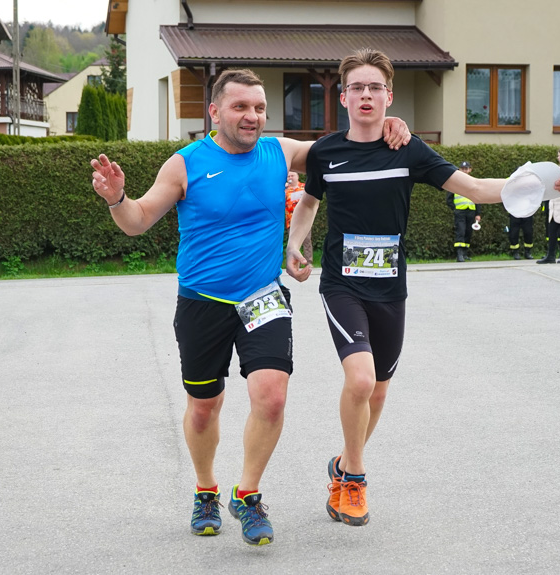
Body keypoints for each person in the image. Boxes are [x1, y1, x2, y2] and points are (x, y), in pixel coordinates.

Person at [89, 69, 410, 547]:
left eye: (259, 108)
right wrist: (117, 198)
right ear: (215, 111)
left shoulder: (279, 152)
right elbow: (137, 221)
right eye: (241, 107)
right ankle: (205, 491)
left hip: (263, 296)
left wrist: (389, 121)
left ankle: (249, 494)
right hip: (202, 302)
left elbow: (346, 144)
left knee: (272, 396)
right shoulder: (185, 164)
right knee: (204, 407)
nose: (253, 116)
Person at [284, 48, 560, 528]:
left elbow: (475, 188)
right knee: (358, 379)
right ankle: (353, 481)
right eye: (357, 87)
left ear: (388, 96)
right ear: (343, 97)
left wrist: (542, 186)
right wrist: (295, 246)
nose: (366, 95)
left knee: (377, 392)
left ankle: (341, 462)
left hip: (390, 290)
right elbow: (310, 203)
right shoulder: (326, 152)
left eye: (375, 87)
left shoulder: (408, 150)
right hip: (342, 285)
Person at [446, 161, 481, 262]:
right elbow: (449, 199)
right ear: (460, 170)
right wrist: (455, 209)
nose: (465, 171)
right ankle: (459, 254)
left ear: (470, 170)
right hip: (460, 212)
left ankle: (465, 253)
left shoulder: (474, 182)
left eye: (466, 169)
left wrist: (478, 214)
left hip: (471, 211)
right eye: (463, 169)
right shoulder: (455, 182)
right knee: (460, 231)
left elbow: (478, 198)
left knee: (468, 232)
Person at [285, 171, 314, 263]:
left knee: (307, 240)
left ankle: (308, 262)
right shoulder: (285, 190)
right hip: (291, 220)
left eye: (292, 175)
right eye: (288, 176)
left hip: (304, 219)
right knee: (293, 243)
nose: (290, 177)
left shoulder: (304, 187)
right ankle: (294, 262)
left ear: (297, 176)